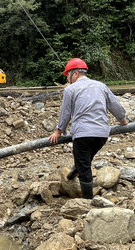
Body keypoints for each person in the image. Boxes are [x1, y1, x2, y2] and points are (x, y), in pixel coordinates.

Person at [48, 58, 128, 199]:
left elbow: (65, 113)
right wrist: (122, 119)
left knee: (84, 167)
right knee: (85, 159)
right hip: (102, 134)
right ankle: (75, 170)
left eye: (68, 75)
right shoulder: (101, 86)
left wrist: (58, 131)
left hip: (83, 134)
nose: (67, 79)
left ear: (75, 74)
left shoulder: (70, 89)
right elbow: (114, 105)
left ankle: (88, 201)